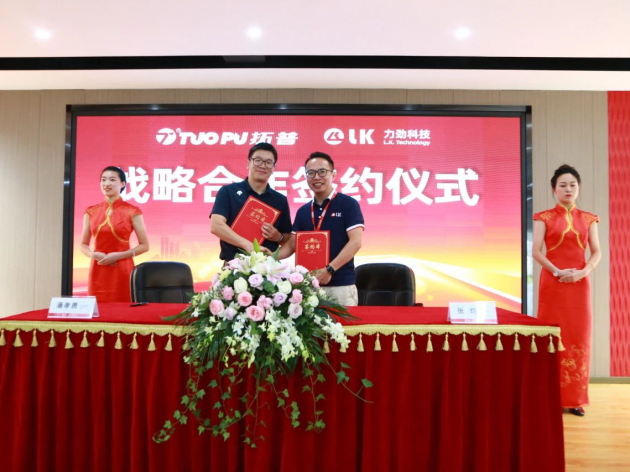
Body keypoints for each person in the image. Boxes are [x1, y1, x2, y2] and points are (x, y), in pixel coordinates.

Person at [532, 164, 601, 417]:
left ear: (578, 188)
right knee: (552, 337)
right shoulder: (543, 217)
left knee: (578, 336)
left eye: (572, 185)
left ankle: (575, 399)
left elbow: (596, 251)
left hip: (579, 285)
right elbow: (536, 251)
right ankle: (549, 397)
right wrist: (556, 271)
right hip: (553, 284)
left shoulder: (589, 219)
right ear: (554, 189)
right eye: (562, 185)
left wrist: (583, 272)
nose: (568, 189)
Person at [279, 152, 364, 306]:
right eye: (311, 173)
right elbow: (291, 245)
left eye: (322, 172)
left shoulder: (348, 204)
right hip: (308, 287)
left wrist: (329, 270)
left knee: (343, 323)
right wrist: (269, 256)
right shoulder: (303, 211)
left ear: (333, 174)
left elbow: (355, 243)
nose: (316, 177)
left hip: (341, 286)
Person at [210, 143, 292, 262]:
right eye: (258, 160)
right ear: (248, 163)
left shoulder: (280, 200)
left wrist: (278, 237)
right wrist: (248, 245)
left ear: (273, 168)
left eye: (268, 162)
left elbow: (288, 238)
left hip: (268, 267)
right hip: (233, 265)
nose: (263, 166)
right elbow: (216, 226)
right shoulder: (228, 192)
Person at [80, 166, 150, 302]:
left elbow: (144, 246)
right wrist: (93, 255)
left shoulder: (132, 211)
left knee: (124, 307)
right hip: (98, 267)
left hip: (123, 268)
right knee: (98, 309)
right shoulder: (91, 211)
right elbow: (83, 244)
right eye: (103, 180)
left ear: (122, 184)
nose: (107, 183)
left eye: (112, 180)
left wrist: (119, 255)